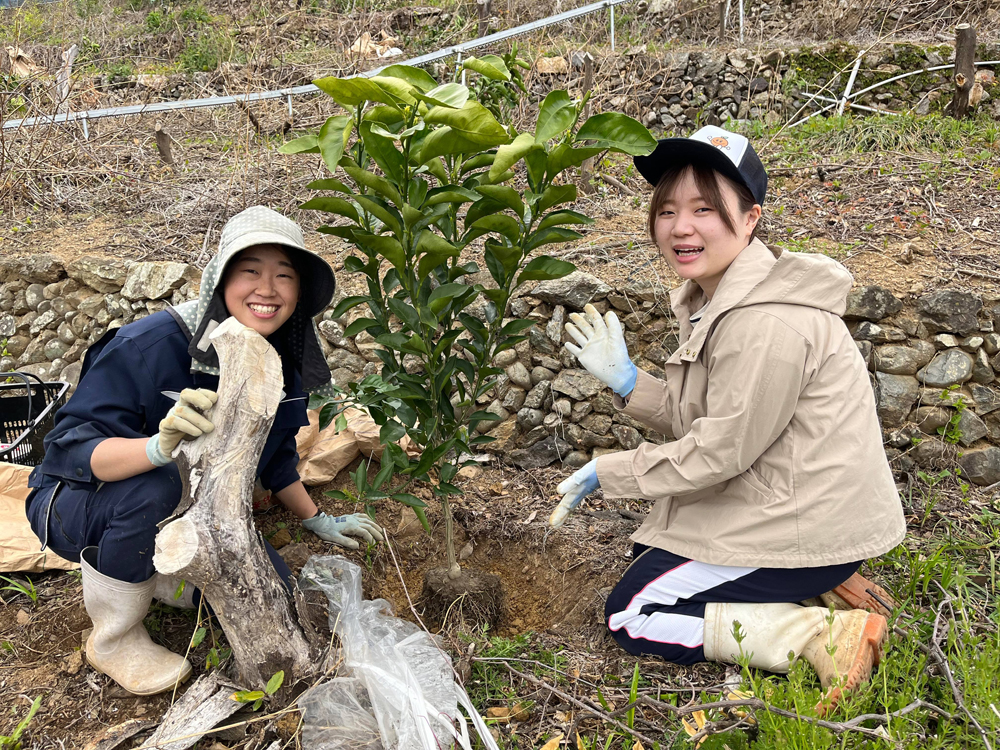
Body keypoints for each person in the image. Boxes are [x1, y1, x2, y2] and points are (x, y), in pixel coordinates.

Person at [549, 126, 906, 714]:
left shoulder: (763, 323)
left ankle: (818, 634)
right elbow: (715, 421)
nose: (680, 227)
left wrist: (607, 473)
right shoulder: (723, 300)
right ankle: (821, 582)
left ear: (750, 219)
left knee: (632, 611)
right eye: (666, 209)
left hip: (800, 520)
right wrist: (632, 384)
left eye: (704, 209)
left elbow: (720, 450)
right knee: (652, 562)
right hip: (787, 504)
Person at [24, 206, 383, 696]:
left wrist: (315, 517)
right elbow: (71, 451)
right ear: (219, 279)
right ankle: (114, 637)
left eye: (285, 275)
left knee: (275, 592)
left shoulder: (278, 360)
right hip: (76, 500)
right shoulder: (147, 346)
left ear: (299, 292)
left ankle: (161, 574)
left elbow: (274, 457)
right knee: (158, 482)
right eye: (250, 270)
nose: (267, 288)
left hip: (190, 513)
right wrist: (155, 447)